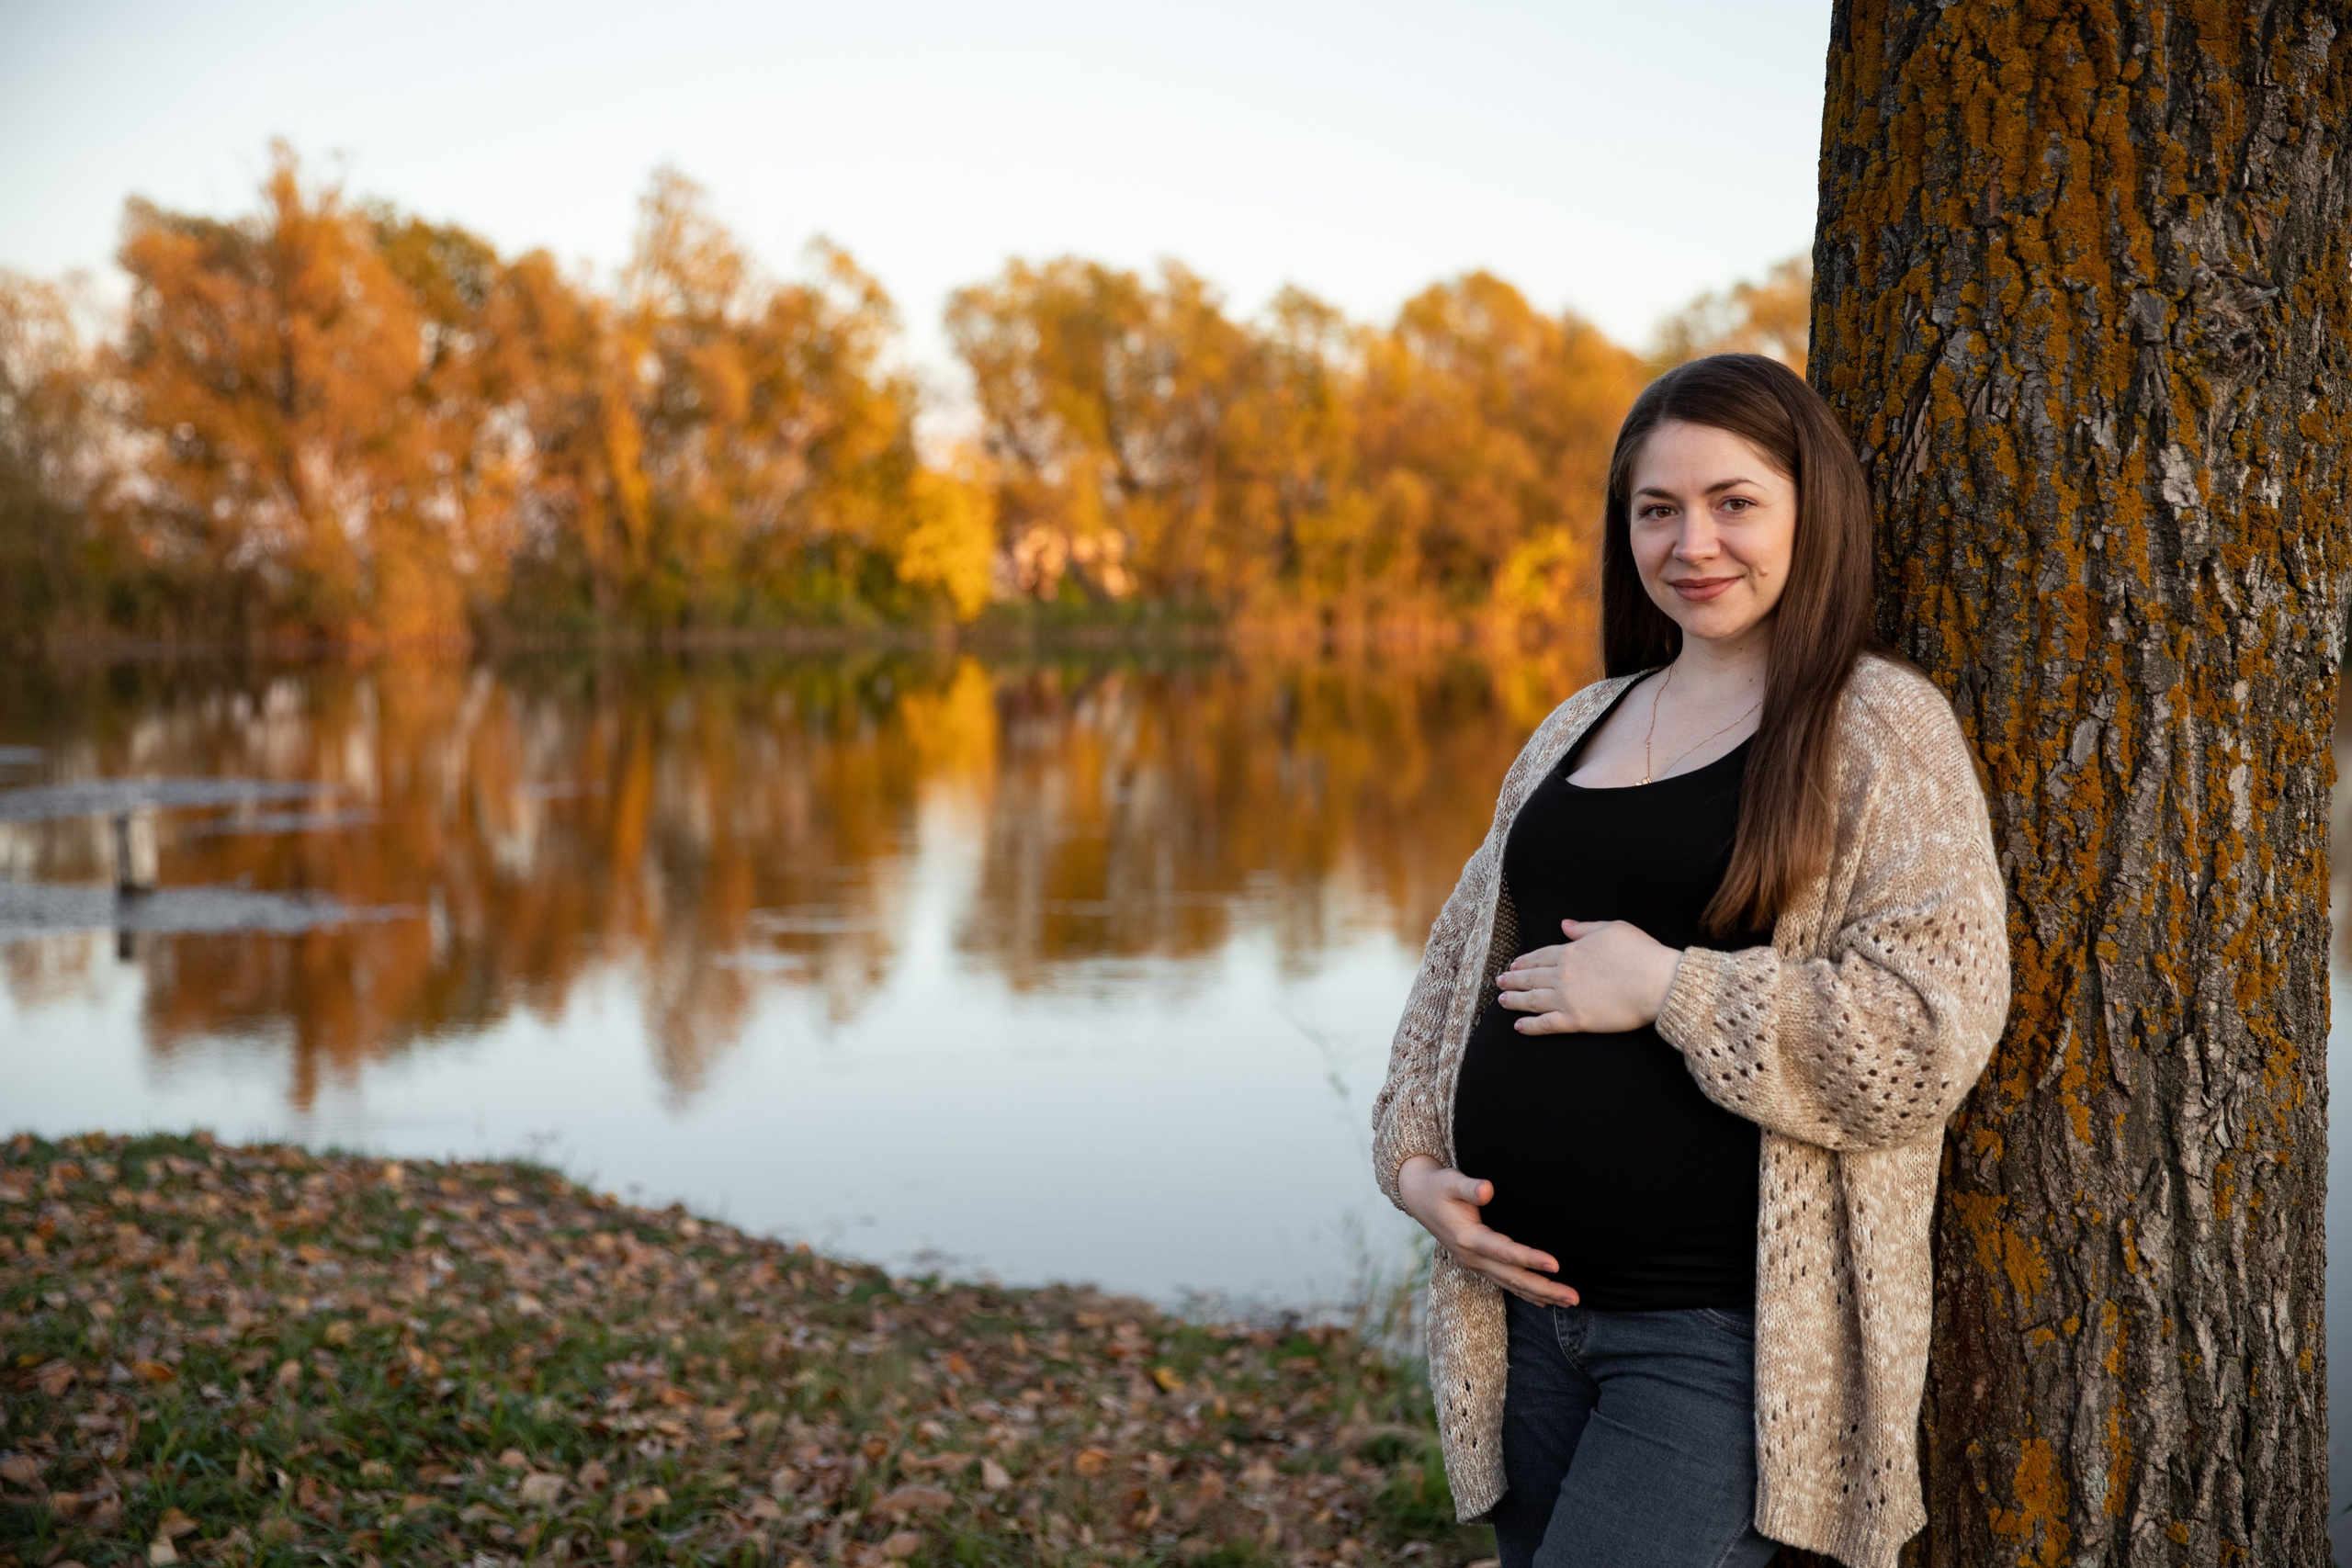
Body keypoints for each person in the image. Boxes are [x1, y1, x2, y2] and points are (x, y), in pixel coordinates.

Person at [1369, 353, 2010, 1568]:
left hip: (1720, 1342)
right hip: (1526, 1324)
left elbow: (1926, 1034)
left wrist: (1670, 987)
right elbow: (1447, 989)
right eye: (1657, 510)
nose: (1693, 543)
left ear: (1809, 510)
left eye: (1734, 503)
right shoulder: (1579, 721)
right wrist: (1411, 1171)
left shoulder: (1875, 729)